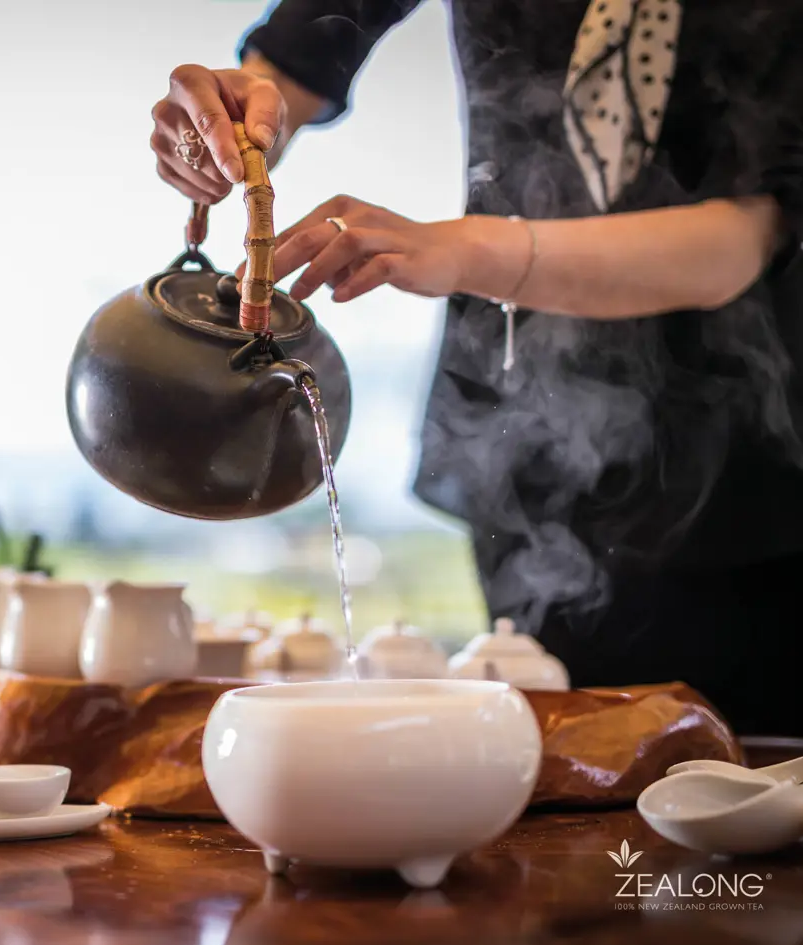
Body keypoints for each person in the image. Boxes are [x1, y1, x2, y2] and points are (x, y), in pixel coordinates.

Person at [150, 0, 803, 736]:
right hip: (518, 444)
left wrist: (462, 253)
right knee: (562, 781)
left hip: (753, 479)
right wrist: (236, 115)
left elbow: (747, 236)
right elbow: (302, 54)